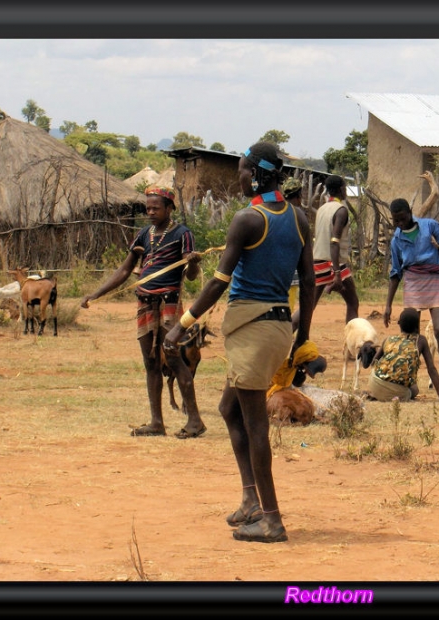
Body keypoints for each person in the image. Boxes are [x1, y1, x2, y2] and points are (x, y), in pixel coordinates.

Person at [163, 142, 316, 543]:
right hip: (279, 327)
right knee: (230, 408)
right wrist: (303, 335)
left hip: (253, 329)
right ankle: (251, 499)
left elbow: (218, 282)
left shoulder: (248, 219)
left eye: (244, 170)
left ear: (258, 174)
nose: (240, 176)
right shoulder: (299, 219)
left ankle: (271, 519)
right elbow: (311, 282)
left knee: (255, 425)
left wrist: (182, 324)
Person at [80, 186, 204, 438]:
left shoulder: (183, 234)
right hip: (145, 304)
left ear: (169, 208)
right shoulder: (143, 235)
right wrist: (95, 294)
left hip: (169, 303)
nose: (150, 212)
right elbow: (124, 271)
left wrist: (192, 263)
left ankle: (195, 421)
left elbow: (190, 276)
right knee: (150, 363)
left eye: (155, 208)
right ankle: (156, 422)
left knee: (173, 359)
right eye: (148, 208)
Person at [384, 198, 439, 397]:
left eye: (402, 218)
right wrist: (388, 305)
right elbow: (395, 273)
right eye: (396, 221)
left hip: (434, 278)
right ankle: (410, 381)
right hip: (412, 281)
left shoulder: (430, 226)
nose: (400, 223)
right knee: (412, 337)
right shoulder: (396, 240)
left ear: (410, 212)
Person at [291, 174, 359, 331]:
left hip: (318, 262)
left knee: (308, 307)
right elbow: (334, 242)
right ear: (342, 189)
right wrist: (336, 272)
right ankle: (353, 341)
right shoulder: (341, 210)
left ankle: (287, 333)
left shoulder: (322, 209)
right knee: (353, 303)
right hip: (335, 263)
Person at [366, 307, 439, 402]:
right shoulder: (420, 341)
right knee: (414, 389)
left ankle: (378, 393)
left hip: (374, 384)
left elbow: (373, 363)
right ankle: (391, 395)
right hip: (396, 391)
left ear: (399, 324)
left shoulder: (388, 339)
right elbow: (431, 369)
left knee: (399, 385)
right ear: (417, 325)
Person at [282, 176, 304, 314]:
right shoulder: (299, 215)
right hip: (292, 268)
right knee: (288, 308)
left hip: (275, 271)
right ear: (299, 195)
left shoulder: (276, 211)